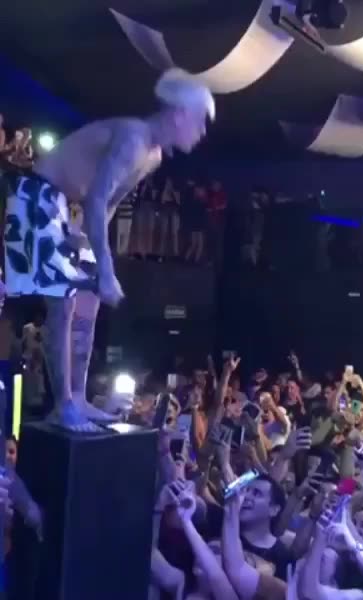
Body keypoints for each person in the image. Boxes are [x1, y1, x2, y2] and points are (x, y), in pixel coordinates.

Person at [3, 68, 215, 430]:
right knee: (63, 305)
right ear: (180, 114)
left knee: (89, 303)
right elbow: (98, 198)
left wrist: (95, 255)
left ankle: (78, 398)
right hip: (40, 196)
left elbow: (109, 203)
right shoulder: (133, 138)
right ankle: (63, 406)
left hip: (71, 209)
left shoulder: (153, 156)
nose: (202, 132)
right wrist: (103, 266)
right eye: (200, 121)